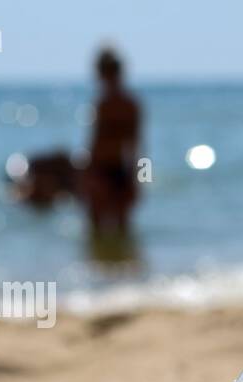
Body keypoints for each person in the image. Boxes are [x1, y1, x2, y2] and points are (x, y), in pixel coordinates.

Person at [83, 48, 141, 253]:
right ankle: (111, 273)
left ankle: (115, 273)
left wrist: (138, 178)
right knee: (105, 228)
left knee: (107, 228)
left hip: (110, 169)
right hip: (108, 169)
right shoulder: (126, 104)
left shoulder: (111, 105)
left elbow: (136, 144)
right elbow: (137, 145)